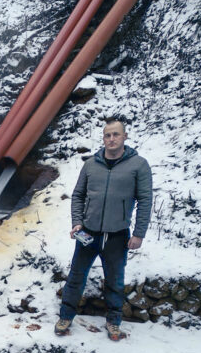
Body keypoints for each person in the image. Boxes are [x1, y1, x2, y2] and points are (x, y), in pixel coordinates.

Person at [55, 117, 152, 341]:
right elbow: (78, 195)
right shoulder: (91, 164)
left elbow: (145, 200)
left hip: (117, 235)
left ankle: (114, 322)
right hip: (88, 233)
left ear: (125, 137)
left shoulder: (138, 165)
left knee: (115, 281)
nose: (111, 139)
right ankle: (65, 316)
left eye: (116, 134)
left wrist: (139, 233)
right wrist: (77, 222)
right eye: (107, 135)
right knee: (76, 277)